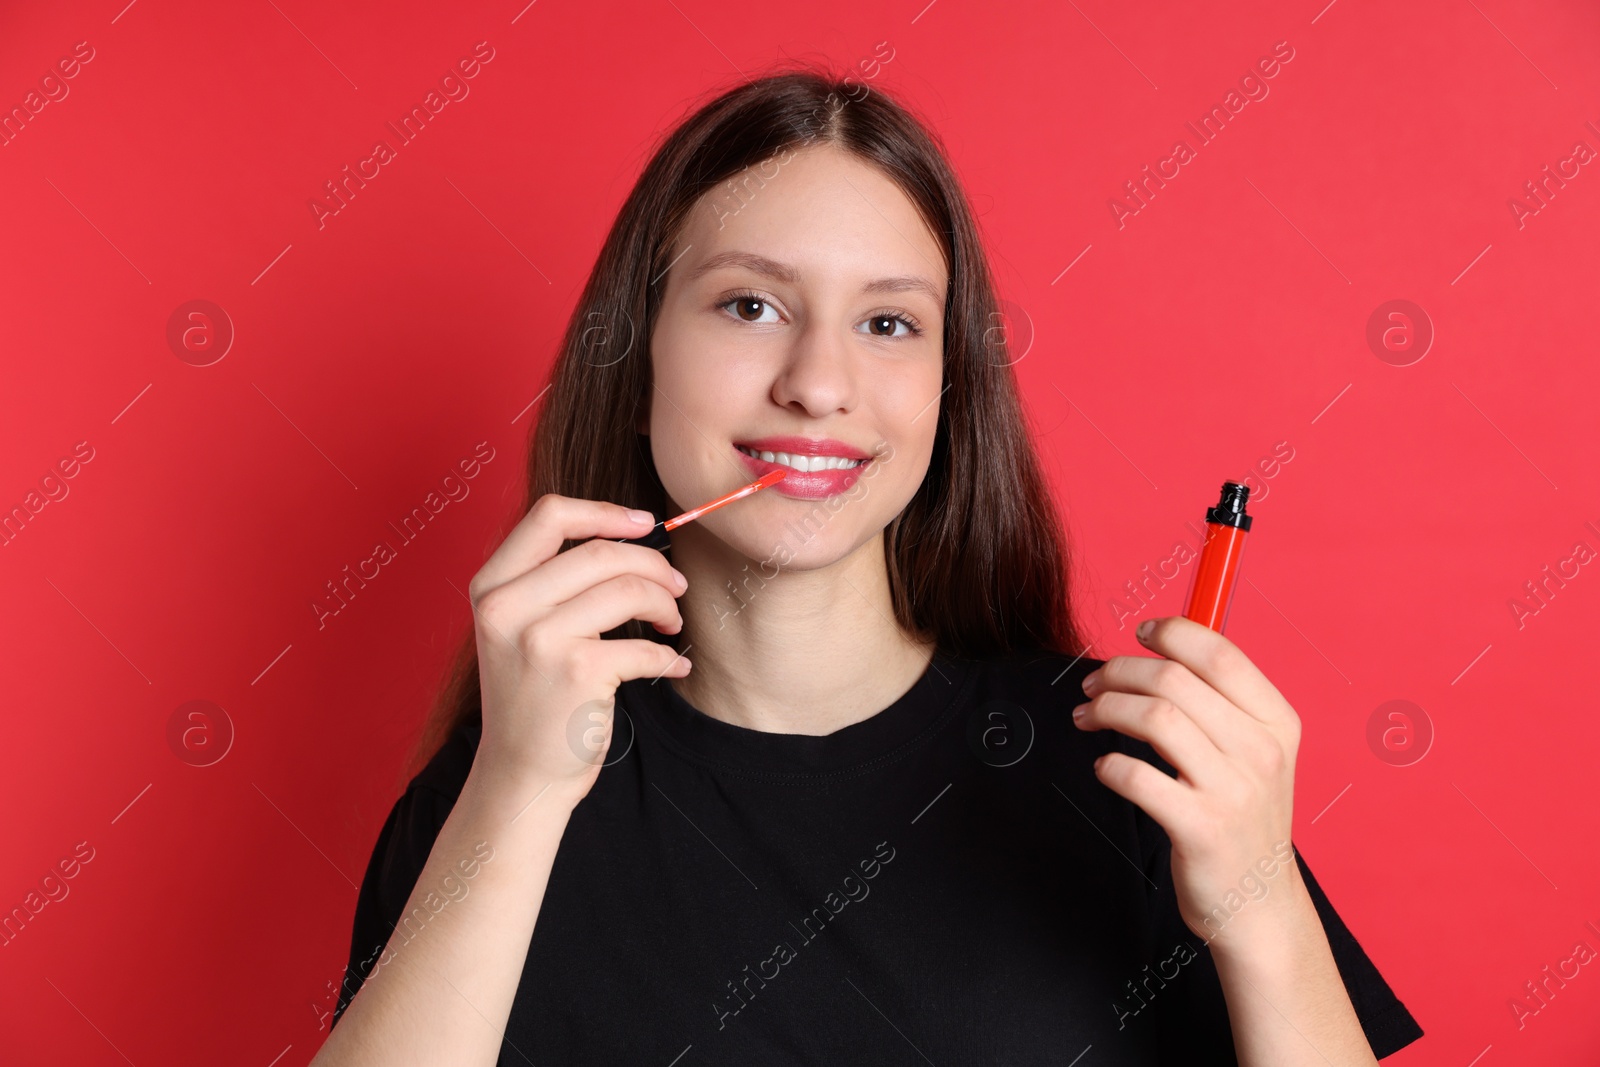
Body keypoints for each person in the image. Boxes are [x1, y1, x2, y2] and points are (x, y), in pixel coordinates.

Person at [311, 67, 1423, 1066]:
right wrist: (516, 789)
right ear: (638, 346)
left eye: (889, 323)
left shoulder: (1127, 775)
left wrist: (1263, 902)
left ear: (949, 390)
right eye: (750, 305)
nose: (819, 381)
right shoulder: (495, 791)